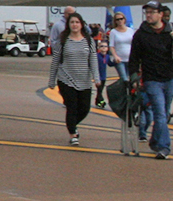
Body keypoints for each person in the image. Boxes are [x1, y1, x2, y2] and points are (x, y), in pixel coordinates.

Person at [130, 0, 173, 159]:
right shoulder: (141, 33)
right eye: (147, 12)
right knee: (159, 113)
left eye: (152, 12)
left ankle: (154, 140)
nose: (149, 15)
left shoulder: (171, 31)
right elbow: (134, 57)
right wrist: (134, 76)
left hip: (169, 77)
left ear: (161, 14)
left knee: (164, 113)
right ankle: (164, 147)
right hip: (151, 78)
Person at [48, 11, 96, 146]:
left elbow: (93, 60)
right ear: (68, 25)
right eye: (72, 22)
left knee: (84, 108)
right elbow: (55, 61)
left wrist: (96, 78)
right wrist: (51, 80)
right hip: (66, 79)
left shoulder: (89, 41)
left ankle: (73, 124)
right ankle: (73, 134)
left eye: (77, 22)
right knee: (72, 107)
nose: (74, 25)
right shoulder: (62, 41)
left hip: (84, 80)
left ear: (81, 25)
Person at [107, 11, 135, 83]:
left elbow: (134, 44)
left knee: (131, 78)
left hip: (130, 59)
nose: (120, 21)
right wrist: (115, 56)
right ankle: (124, 92)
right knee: (124, 79)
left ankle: (131, 92)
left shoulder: (130, 31)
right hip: (120, 59)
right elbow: (111, 46)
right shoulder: (113, 32)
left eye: (121, 19)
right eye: (117, 19)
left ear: (124, 19)